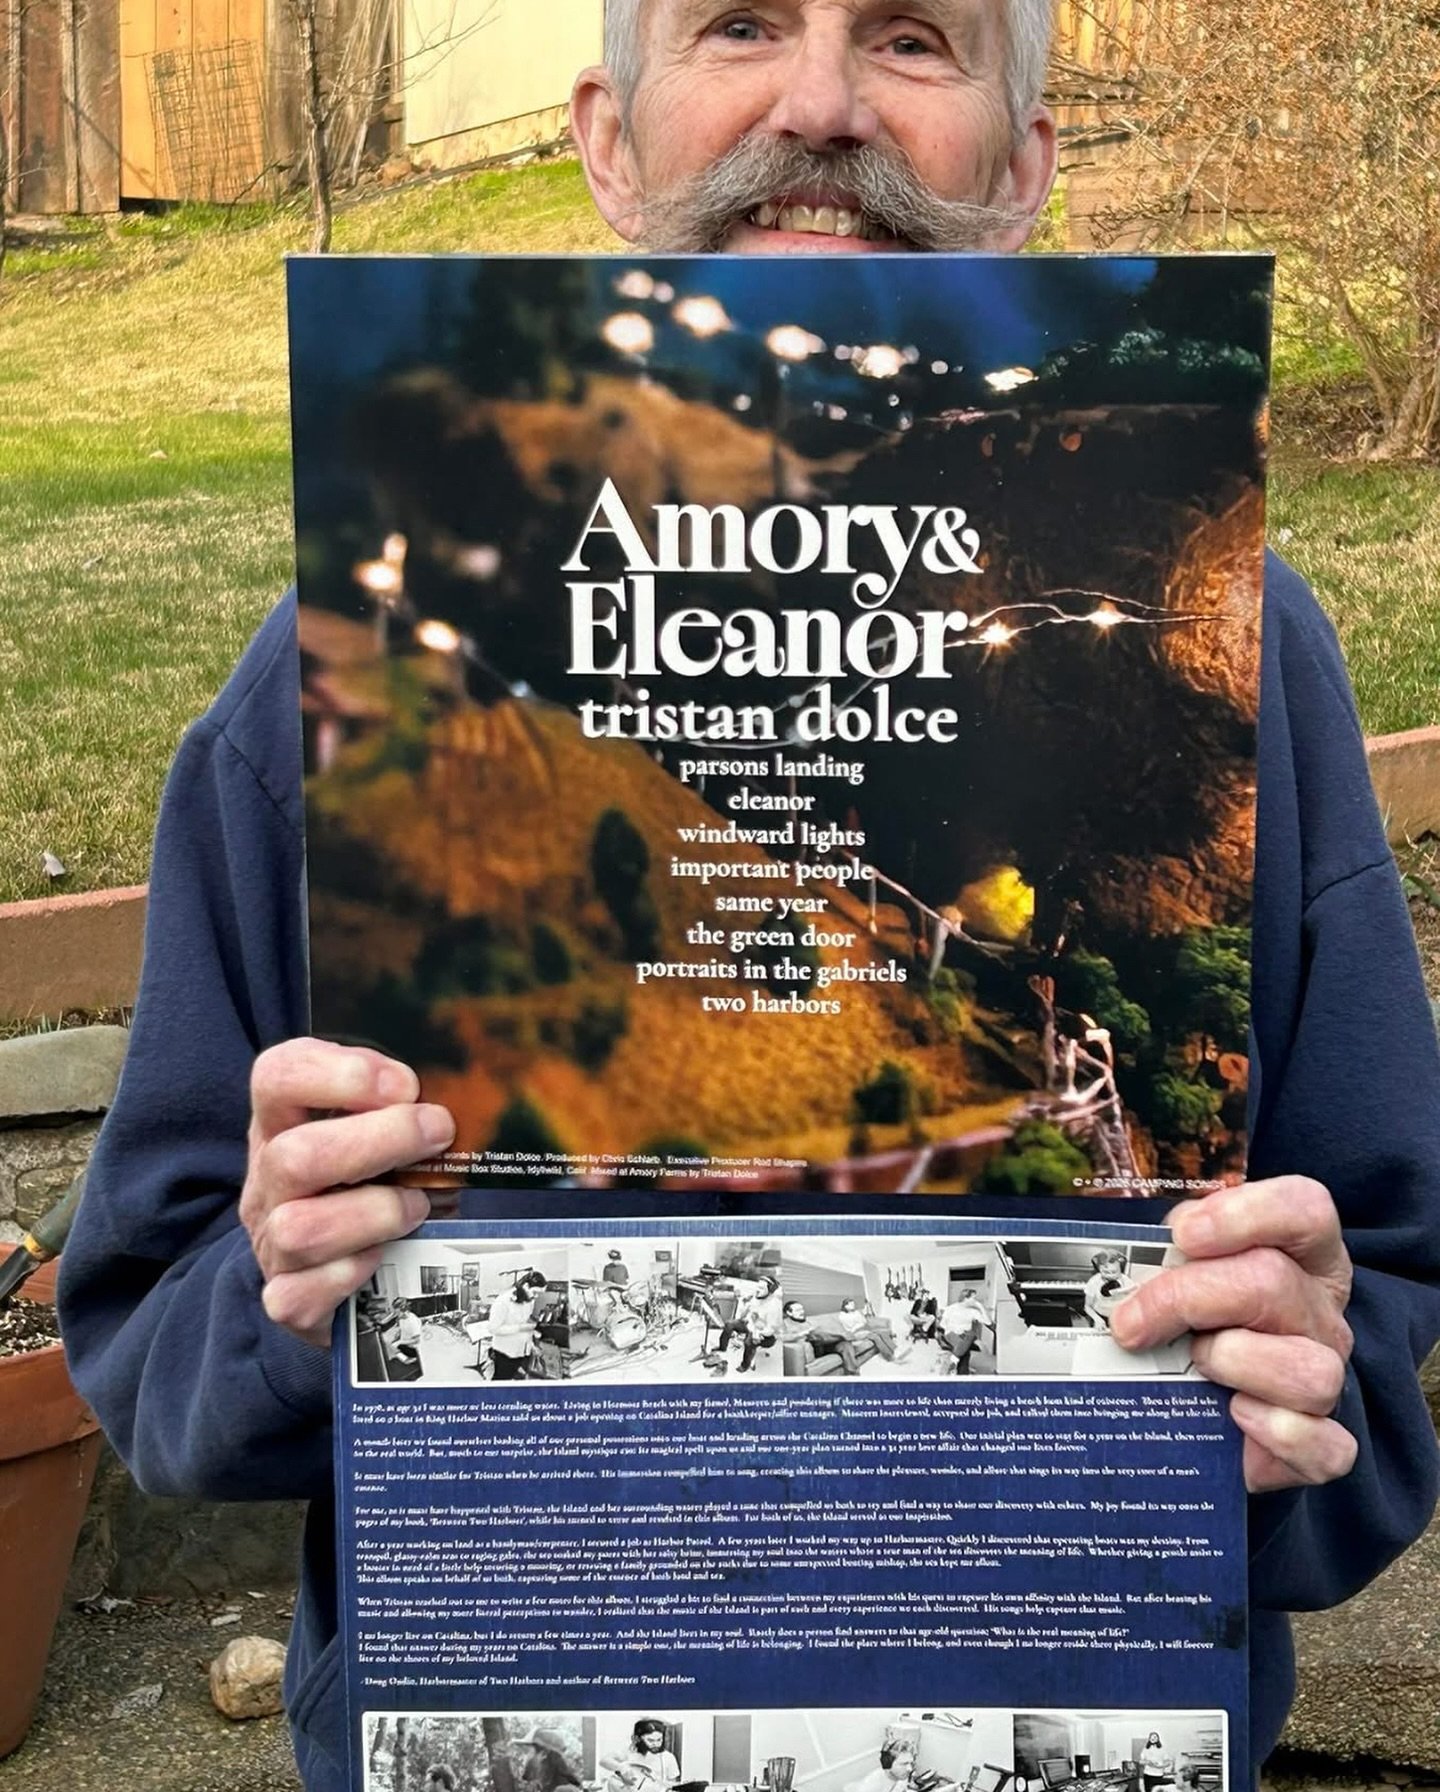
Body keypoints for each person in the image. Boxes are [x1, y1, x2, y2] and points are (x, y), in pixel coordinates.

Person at [54, 3, 1440, 1787]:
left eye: (915, 40)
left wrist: (1302, 1397)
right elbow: (150, 1345)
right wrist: (274, 1285)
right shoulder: (334, 685)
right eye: (739, 24)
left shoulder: (1242, 666)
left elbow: (1386, 1343)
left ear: (1023, 165)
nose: (820, 103)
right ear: (609, 141)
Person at [713, 1274, 783, 1372]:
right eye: (758, 1287)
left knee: (748, 1342)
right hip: (751, 1325)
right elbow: (743, 1316)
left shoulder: (774, 1307)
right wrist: (745, 1308)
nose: (758, 1290)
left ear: (770, 1290)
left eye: (761, 1288)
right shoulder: (756, 1297)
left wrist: (758, 1334)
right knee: (729, 1324)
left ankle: (745, 1365)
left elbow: (771, 1329)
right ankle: (722, 1347)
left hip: (766, 1334)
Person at [489, 1270, 547, 1380]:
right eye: (535, 1292)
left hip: (520, 1349)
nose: (536, 1297)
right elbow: (493, 1328)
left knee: (512, 1375)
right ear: (525, 1286)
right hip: (505, 1351)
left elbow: (525, 1322)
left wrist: (532, 1346)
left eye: (539, 1294)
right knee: (501, 1379)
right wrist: (520, 1328)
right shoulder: (502, 1301)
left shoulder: (530, 1300)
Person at [784, 1298, 863, 1375]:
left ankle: (853, 1373)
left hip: (824, 1345)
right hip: (814, 1346)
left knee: (845, 1345)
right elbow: (783, 1338)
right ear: (789, 1313)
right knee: (816, 1336)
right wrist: (802, 1333)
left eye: (802, 1309)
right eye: (798, 1310)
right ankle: (843, 1336)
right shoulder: (786, 1324)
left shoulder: (805, 1321)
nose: (802, 1312)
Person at [601, 1719, 682, 1792]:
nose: (656, 1744)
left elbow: (672, 1784)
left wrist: (657, 1782)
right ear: (638, 1739)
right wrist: (622, 1768)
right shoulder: (629, 1752)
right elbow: (604, 1760)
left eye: (659, 1740)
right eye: (650, 1740)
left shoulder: (668, 1757)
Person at [939, 1290, 992, 1373]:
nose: (975, 1301)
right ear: (965, 1298)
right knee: (965, 1348)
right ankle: (961, 1372)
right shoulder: (950, 1308)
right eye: (973, 1298)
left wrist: (981, 1307)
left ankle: (954, 1362)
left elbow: (988, 1322)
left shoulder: (973, 1311)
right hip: (951, 1334)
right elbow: (942, 1324)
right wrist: (954, 1328)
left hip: (966, 1336)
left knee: (970, 1335)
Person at [1084, 1251, 1136, 1333]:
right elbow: (1087, 1306)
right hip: (1100, 1316)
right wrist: (1097, 1319)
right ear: (1099, 1269)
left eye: (1114, 1272)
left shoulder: (1127, 1282)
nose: (1110, 1276)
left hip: (1120, 1317)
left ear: (1121, 1269)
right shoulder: (1094, 1282)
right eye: (1105, 1272)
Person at [836, 1296, 899, 1362]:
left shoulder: (856, 1312)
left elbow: (864, 1321)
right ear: (845, 1306)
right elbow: (850, 1326)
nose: (853, 1306)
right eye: (851, 1304)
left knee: (882, 1332)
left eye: (853, 1304)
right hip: (855, 1333)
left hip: (863, 1329)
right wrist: (858, 1323)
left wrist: (858, 1323)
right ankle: (889, 1356)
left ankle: (895, 1350)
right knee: (875, 1336)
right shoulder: (842, 1316)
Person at [850, 1741, 917, 1792]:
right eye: (904, 1764)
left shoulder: (903, 1776)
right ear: (887, 1763)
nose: (910, 1769)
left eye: (911, 1763)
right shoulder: (871, 1786)